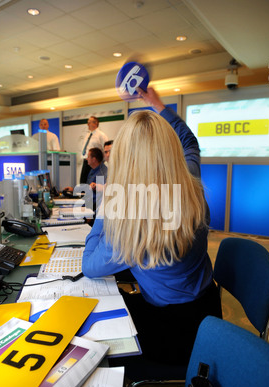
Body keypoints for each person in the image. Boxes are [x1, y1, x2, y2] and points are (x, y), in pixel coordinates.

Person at [82, 87, 222, 368]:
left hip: (169, 333)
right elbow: (190, 142)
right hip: (209, 316)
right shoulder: (191, 179)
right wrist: (157, 104)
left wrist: (108, 203)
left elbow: (89, 265)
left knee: (91, 332)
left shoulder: (129, 221)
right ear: (171, 149)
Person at [80, 116, 108, 184]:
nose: (88, 124)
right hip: (86, 162)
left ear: (96, 123)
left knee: (93, 183)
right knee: (83, 182)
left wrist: (101, 161)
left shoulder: (101, 135)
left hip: (95, 163)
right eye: (88, 122)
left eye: (90, 122)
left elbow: (106, 148)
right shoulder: (88, 135)